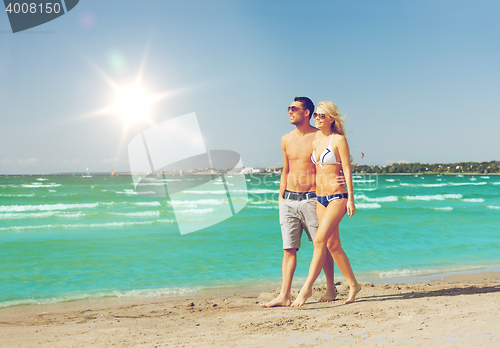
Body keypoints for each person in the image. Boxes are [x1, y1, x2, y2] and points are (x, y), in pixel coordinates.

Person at [260, 97, 339, 308]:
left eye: (293, 108)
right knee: (288, 249)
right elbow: (285, 170)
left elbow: (334, 161)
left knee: (321, 245)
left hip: (313, 199)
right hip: (288, 200)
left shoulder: (320, 137)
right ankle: (284, 295)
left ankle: (331, 288)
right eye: (288, 108)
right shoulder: (285, 139)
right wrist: (280, 197)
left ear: (306, 113)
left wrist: (337, 180)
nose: (289, 111)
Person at [291, 101, 361, 307]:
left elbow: (347, 170)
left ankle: (307, 289)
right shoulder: (315, 141)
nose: (318, 118)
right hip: (319, 198)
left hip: (337, 197)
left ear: (331, 118)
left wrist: (351, 199)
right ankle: (353, 284)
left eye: (322, 115)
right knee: (333, 245)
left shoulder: (338, 140)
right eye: (316, 115)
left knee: (319, 241)